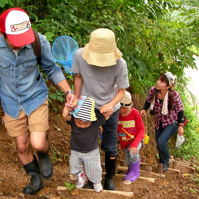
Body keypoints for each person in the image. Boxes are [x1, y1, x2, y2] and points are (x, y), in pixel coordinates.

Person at [0, 8, 76, 195]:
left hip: (35, 97)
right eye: (16, 41)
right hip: (11, 101)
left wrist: (68, 91)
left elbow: (52, 69)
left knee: (37, 143)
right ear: (3, 33)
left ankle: (44, 152)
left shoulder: (39, 41)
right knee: (21, 145)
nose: (21, 45)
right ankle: (35, 177)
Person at [71, 28, 129, 190]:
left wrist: (110, 105)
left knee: (109, 144)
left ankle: (109, 178)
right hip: (86, 106)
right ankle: (91, 178)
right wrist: (76, 100)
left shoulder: (120, 64)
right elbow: (78, 76)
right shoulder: (80, 55)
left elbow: (122, 90)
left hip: (110, 106)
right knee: (87, 145)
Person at [140, 72, 185, 172]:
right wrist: (144, 109)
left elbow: (180, 110)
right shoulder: (153, 90)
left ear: (168, 86)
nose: (158, 82)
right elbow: (148, 100)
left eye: (162, 82)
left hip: (171, 122)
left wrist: (181, 126)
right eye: (159, 79)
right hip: (159, 121)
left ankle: (165, 162)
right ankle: (161, 161)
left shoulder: (174, 95)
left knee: (161, 142)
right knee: (159, 142)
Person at [62, 96, 108, 193]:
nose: (82, 125)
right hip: (75, 150)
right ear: (74, 118)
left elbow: (105, 117)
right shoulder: (73, 121)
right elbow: (65, 115)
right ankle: (81, 177)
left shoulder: (95, 122)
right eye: (79, 123)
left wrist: (106, 110)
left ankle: (96, 182)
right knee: (74, 165)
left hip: (91, 151)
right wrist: (69, 107)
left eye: (85, 123)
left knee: (94, 168)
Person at [117, 91, 145, 182]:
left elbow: (141, 129)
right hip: (125, 141)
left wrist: (135, 143)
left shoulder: (135, 113)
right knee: (127, 158)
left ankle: (135, 171)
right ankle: (130, 169)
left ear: (124, 107)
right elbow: (113, 128)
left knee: (133, 152)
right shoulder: (117, 116)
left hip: (136, 139)